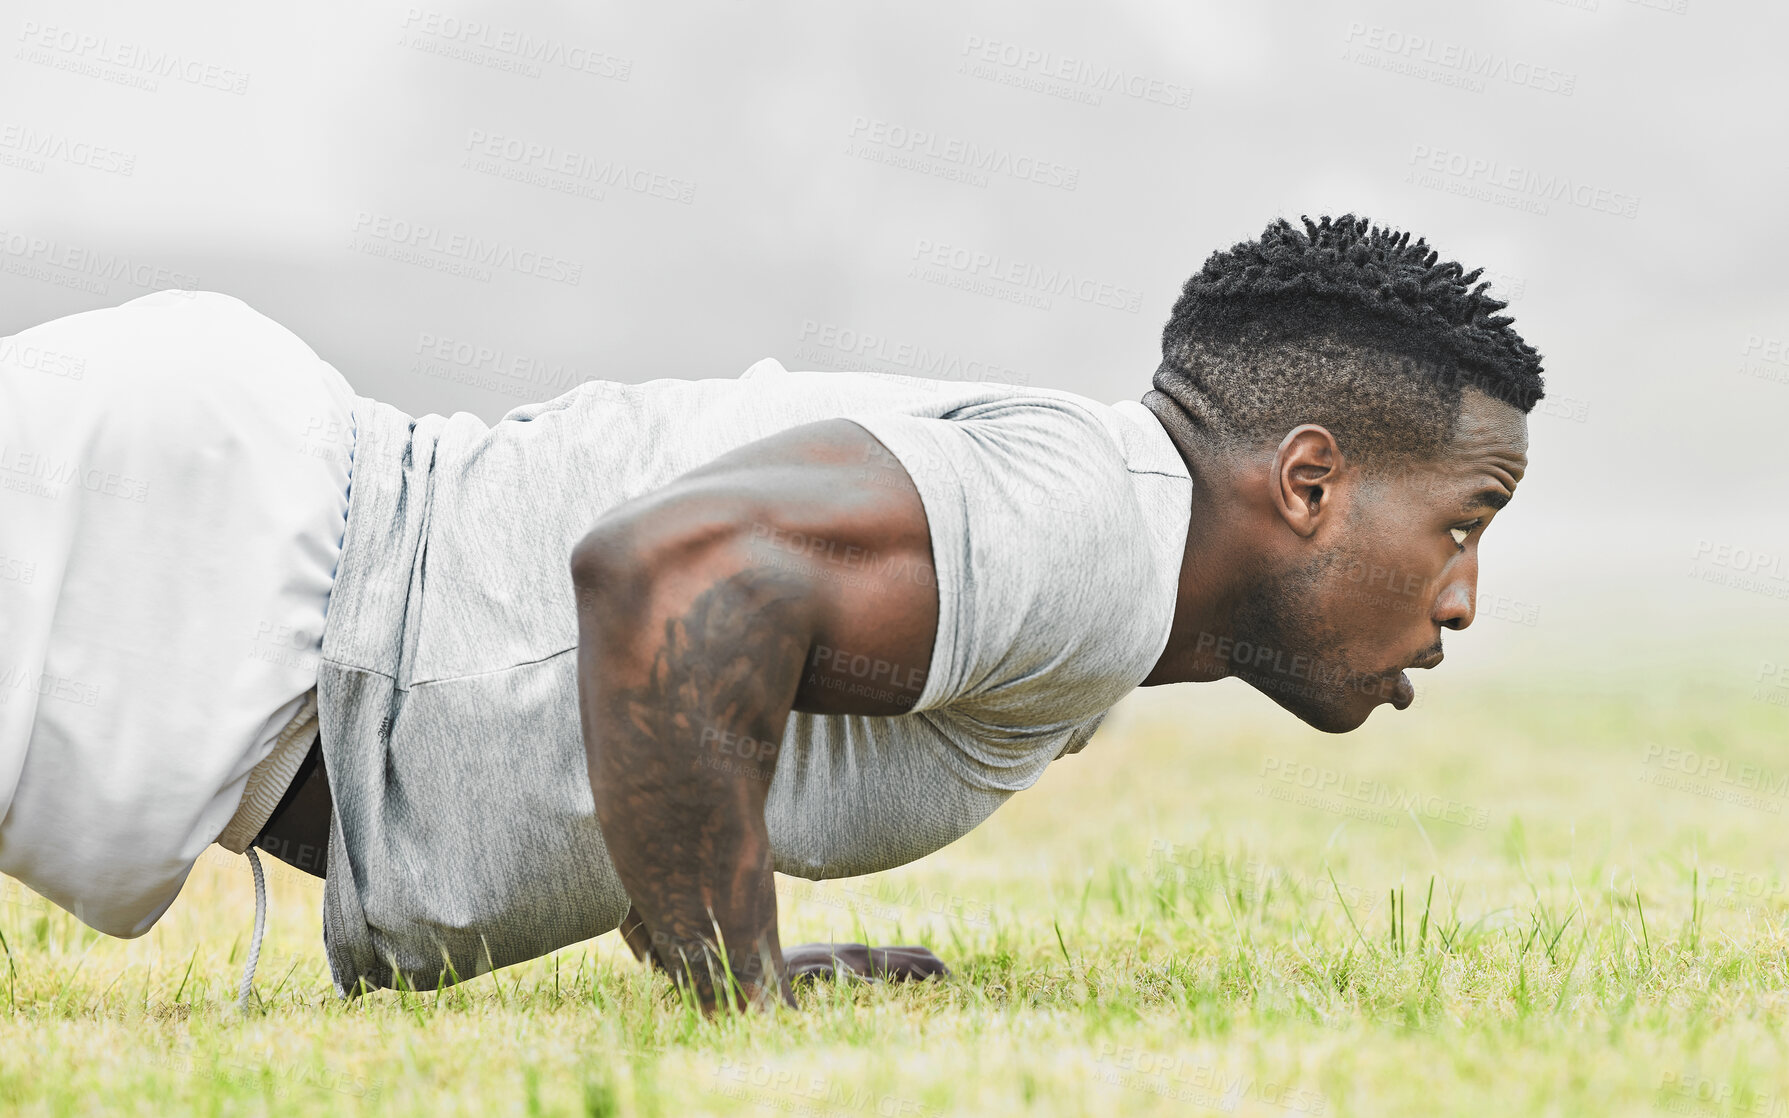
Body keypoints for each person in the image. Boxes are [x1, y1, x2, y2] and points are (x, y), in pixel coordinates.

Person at [0, 214, 1541, 1013]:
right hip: (186, 551)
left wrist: (732, 936)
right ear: (1311, 480)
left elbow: (710, 671)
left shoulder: (1091, 529)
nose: (1461, 597)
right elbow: (671, 578)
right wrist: (737, 1000)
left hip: (214, 557)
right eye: (1462, 523)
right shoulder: (1096, 526)